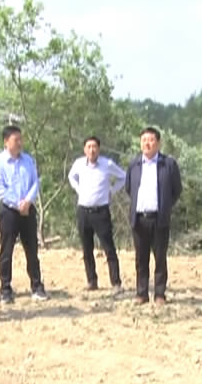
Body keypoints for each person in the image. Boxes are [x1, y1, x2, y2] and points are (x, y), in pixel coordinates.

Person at [0, 125, 49, 304]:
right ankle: (5, 289)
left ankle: (37, 286)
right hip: (9, 211)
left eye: (21, 139)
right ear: (6, 142)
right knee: (6, 250)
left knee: (32, 249)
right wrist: (17, 204)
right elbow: (0, 190)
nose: (20, 143)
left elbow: (35, 182)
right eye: (16, 140)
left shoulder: (28, 160)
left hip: (28, 210)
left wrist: (28, 201)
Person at [125, 126, 182, 305]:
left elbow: (176, 189)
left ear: (158, 143)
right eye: (144, 140)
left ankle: (159, 294)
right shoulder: (134, 164)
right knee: (141, 259)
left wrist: (165, 206)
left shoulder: (168, 164)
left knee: (160, 258)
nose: (147, 143)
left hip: (159, 219)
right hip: (139, 218)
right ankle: (141, 293)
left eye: (151, 140)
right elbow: (129, 188)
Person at [67, 136, 125, 293]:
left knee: (109, 248)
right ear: (84, 149)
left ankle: (116, 282)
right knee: (87, 249)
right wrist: (78, 189)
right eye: (88, 147)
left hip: (101, 212)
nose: (91, 150)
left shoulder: (107, 164)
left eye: (94, 147)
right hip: (83, 211)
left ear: (99, 149)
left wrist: (112, 191)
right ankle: (91, 281)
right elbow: (71, 177)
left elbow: (123, 177)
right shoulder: (79, 164)